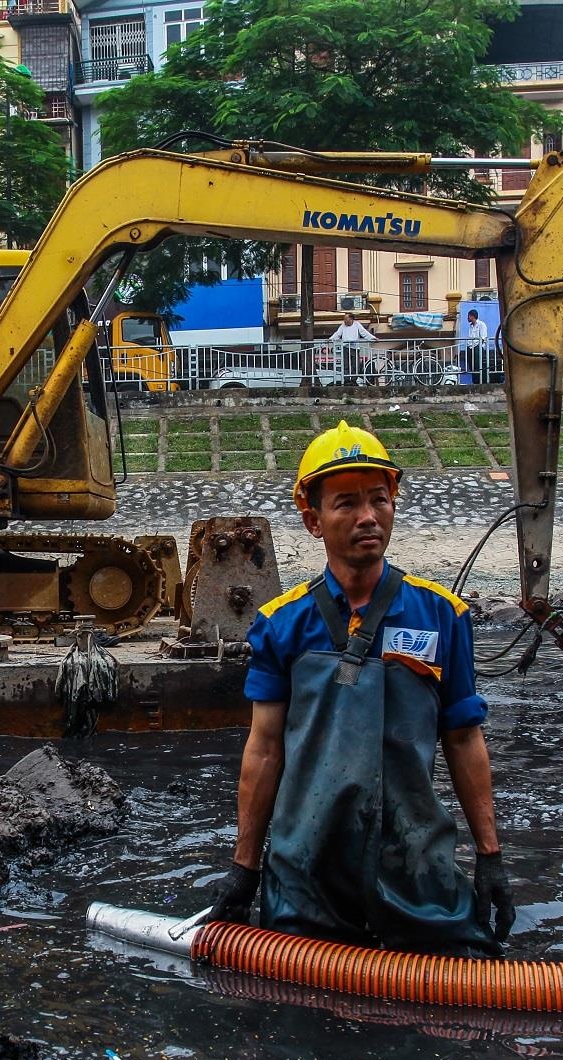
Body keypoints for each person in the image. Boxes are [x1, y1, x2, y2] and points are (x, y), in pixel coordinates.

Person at [202, 422, 515, 956]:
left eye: (380, 499)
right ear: (313, 521)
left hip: (416, 867)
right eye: (346, 503)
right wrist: (244, 868)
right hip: (306, 875)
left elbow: (463, 739)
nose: (368, 517)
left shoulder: (442, 616)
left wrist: (489, 858)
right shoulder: (281, 624)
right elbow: (264, 749)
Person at [331, 314, 376, 385]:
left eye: (346, 319)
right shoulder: (343, 325)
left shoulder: (357, 324)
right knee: (346, 365)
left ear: (351, 319)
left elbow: (364, 332)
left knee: (355, 365)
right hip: (345, 347)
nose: (345, 321)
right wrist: (331, 339)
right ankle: (346, 379)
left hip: (355, 347)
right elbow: (338, 333)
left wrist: (373, 338)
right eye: (344, 319)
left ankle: (353, 380)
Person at [460, 308, 491, 383]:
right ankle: (475, 382)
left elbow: (483, 337)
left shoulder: (481, 324)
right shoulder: (470, 326)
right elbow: (470, 337)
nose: (467, 318)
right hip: (470, 347)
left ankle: (481, 382)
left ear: (472, 316)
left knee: (478, 366)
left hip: (478, 347)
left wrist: (478, 346)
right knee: (472, 366)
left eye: (468, 316)